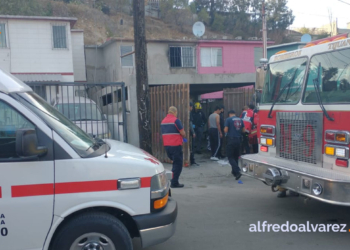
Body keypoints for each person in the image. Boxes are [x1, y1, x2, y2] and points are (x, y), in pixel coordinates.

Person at [161, 106, 186, 188]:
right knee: (178, 165)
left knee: (174, 164)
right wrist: (184, 136)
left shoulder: (163, 121)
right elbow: (182, 133)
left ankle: (172, 180)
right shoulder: (176, 120)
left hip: (167, 146)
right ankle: (174, 182)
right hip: (175, 145)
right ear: (175, 112)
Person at [224, 110, 246, 180]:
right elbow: (243, 130)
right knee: (236, 156)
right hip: (239, 139)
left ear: (229, 114)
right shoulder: (240, 119)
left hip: (231, 139)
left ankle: (237, 170)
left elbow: (226, 130)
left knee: (230, 157)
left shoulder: (228, 120)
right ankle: (234, 172)